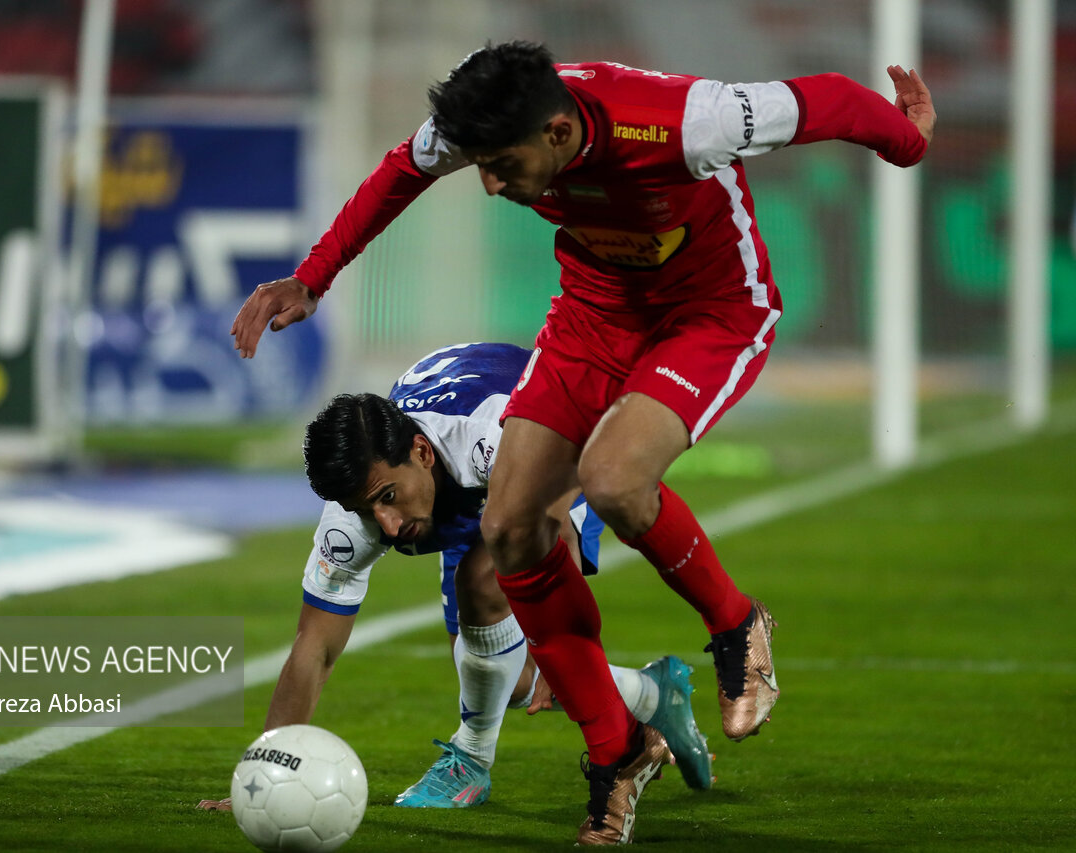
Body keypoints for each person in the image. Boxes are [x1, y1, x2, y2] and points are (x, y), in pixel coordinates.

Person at [231, 42, 936, 845]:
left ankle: (736, 622)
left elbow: (827, 101)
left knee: (612, 478)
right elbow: (401, 171)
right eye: (479, 164)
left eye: (502, 166)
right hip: (593, 315)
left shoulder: (690, 122)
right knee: (507, 528)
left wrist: (908, 140)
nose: (489, 184)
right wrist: (313, 277)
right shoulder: (491, 121)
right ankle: (619, 752)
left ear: (560, 133)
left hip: (708, 314)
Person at [198, 342, 713, 814]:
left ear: (422, 453)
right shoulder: (351, 520)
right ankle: (654, 693)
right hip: (462, 484)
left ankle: (470, 761)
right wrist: (264, 778)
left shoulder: (491, 438)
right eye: (367, 511)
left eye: (388, 498)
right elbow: (315, 648)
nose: (388, 526)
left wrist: (555, 643)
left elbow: (554, 527)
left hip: (560, 441)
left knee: (484, 582)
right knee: (511, 681)